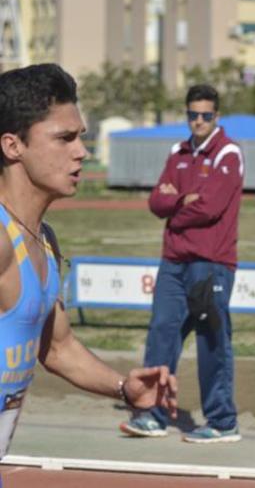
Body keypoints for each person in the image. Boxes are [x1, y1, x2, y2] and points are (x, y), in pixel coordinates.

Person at [0, 63, 178, 457]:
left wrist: (125, 389)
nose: (82, 151)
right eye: (64, 138)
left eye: (80, 136)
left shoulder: (43, 241)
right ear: (13, 146)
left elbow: (58, 348)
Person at [120, 84, 243, 444]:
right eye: (193, 115)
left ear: (216, 116)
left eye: (206, 115)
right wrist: (179, 201)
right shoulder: (178, 152)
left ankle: (222, 422)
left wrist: (178, 204)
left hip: (211, 263)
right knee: (162, 335)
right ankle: (153, 415)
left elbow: (210, 208)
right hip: (173, 261)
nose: (199, 121)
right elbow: (156, 202)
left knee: (212, 340)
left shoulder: (229, 153)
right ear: (187, 115)